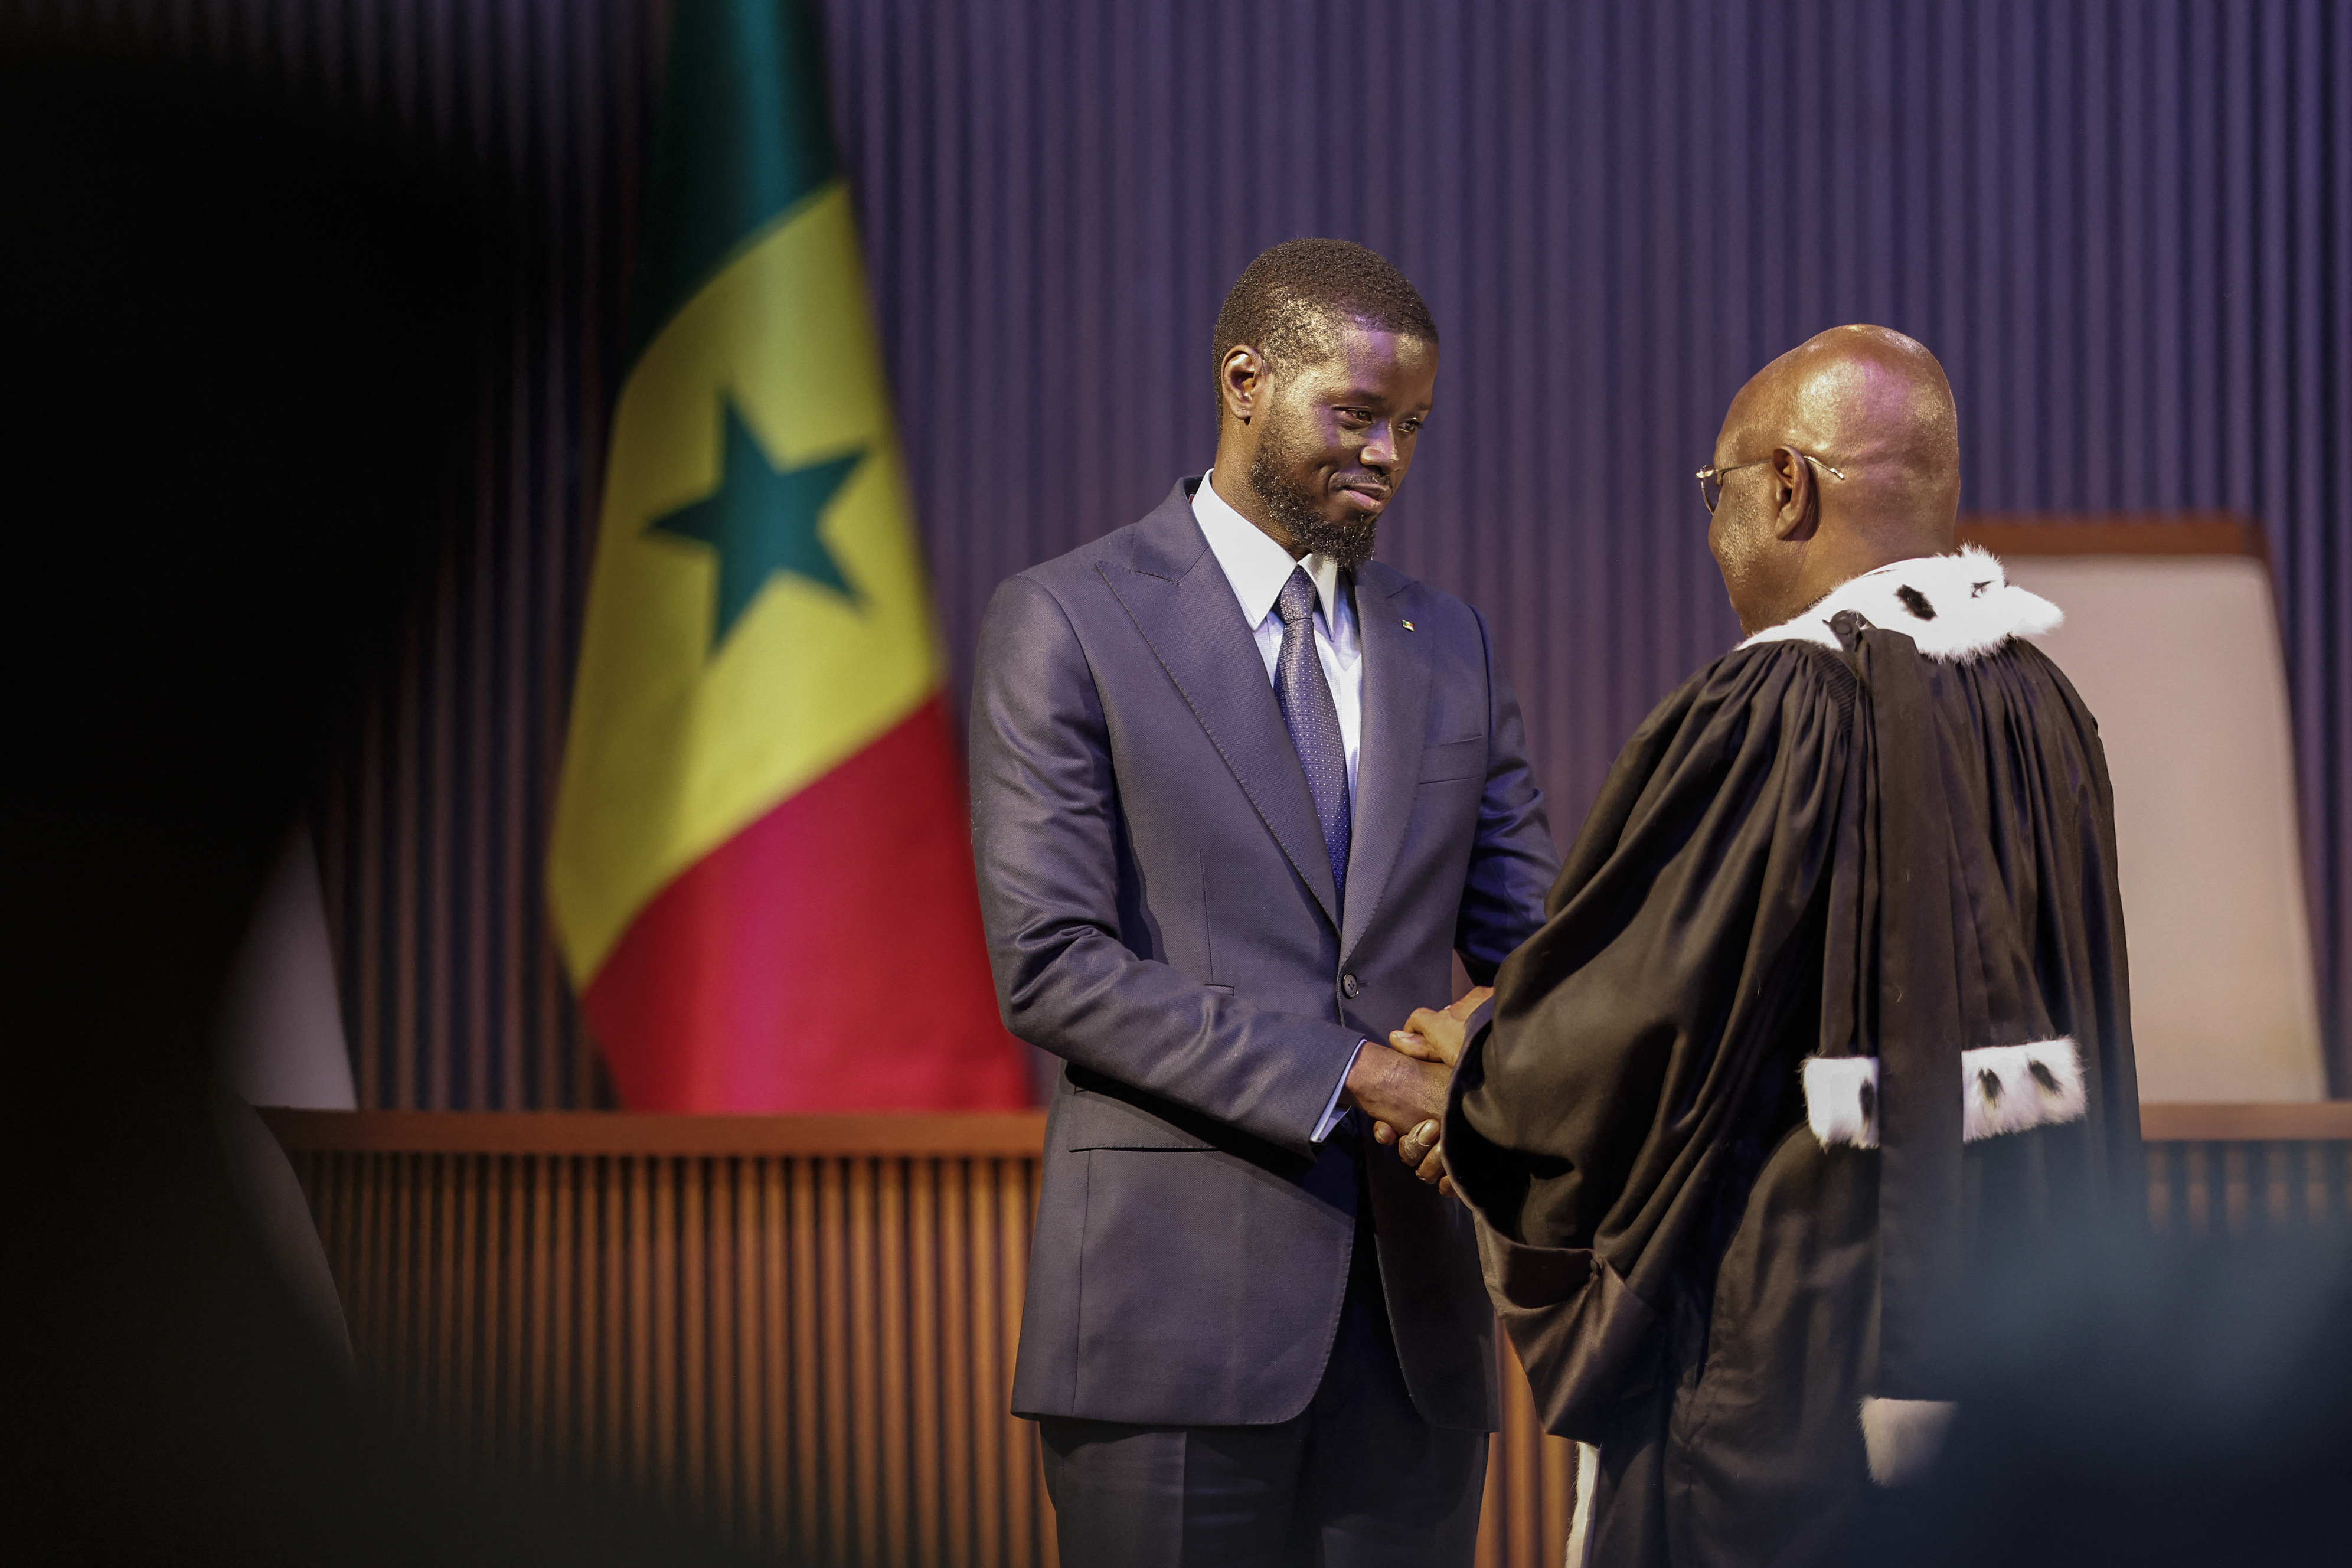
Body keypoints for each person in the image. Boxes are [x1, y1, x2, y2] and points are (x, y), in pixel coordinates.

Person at [1390, 326, 2141, 1566]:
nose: (1713, 530)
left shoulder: (1784, 702)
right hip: (2021, 1369)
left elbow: (1629, 1034)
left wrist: (1474, 1066)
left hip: (1797, 1368)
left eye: (1718, 492)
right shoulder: (2043, 707)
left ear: (1788, 486)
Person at [968, 238, 1560, 1564]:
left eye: (1410, 424)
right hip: (1166, 1333)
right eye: (1356, 415)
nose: (1390, 454)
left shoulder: (1449, 639)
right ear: (1246, 381)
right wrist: (1366, 1074)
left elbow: (1544, 948)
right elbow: (1055, 964)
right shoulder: (1067, 617)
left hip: (1416, 1338)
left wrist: (1485, 1051)